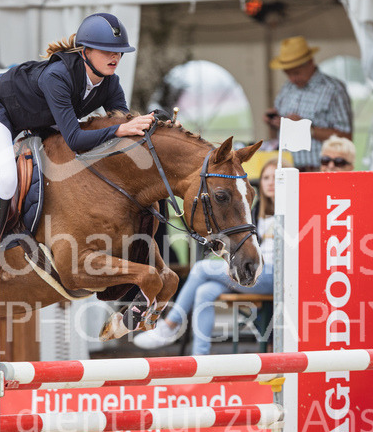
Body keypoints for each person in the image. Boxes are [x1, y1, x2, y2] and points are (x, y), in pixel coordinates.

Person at [0, 13, 156, 220]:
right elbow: (76, 140)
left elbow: (125, 123)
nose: (115, 57)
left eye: (119, 52)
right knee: (6, 182)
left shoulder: (110, 83)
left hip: (37, 117)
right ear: (85, 52)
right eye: (107, 51)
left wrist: (152, 124)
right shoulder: (57, 77)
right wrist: (120, 129)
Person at [133, 159, 278, 354]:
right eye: (266, 177)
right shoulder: (253, 213)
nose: (270, 182)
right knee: (204, 291)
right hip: (252, 272)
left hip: (276, 276)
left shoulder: (292, 212)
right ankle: (201, 359)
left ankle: (170, 324)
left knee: (202, 268)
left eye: (276, 177)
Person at [268, 36, 352, 171]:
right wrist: (273, 121)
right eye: (287, 74)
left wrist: (306, 128)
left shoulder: (333, 89)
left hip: (320, 169)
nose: (292, 78)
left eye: (296, 72)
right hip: (287, 167)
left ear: (310, 62)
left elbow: (346, 137)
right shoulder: (287, 88)